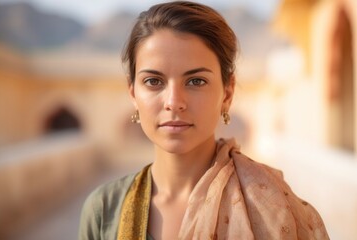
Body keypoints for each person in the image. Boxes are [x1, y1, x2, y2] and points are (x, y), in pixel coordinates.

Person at [78, 1, 329, 239]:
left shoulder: (274, 209)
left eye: (196, 81)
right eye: (154, 82)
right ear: (133, 93)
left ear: (227, 93)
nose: (174, 101)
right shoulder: (104, 210)